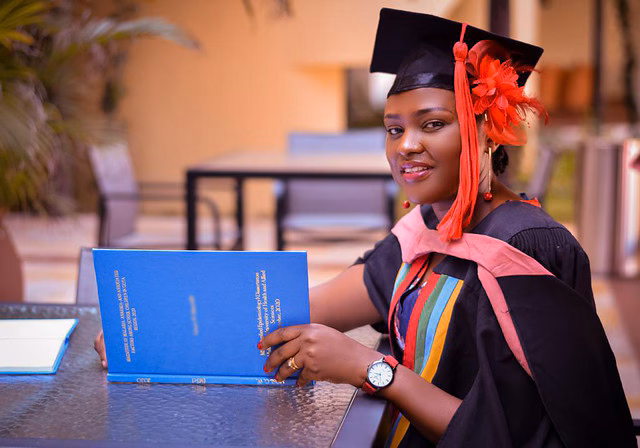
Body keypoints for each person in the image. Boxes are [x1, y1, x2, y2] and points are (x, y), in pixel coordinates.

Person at [96, 8, 635, 447]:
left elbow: (507, 436)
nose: (405, 146)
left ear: (486, 134)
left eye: (433, 124)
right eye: (393, 129)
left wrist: (369, 368)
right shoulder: (424, 230)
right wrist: (149, 332)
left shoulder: (529, 251)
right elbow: (295, 312)